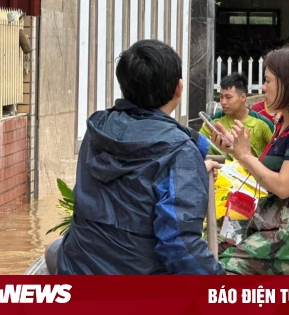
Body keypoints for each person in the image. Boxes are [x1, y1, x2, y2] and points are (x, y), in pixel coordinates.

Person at [44, 39, 226, 275]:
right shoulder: (181, 152)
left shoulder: (97, 130)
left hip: (79, 271)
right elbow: (180, 246)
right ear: (179, 88)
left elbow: (134, 182)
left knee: (55, 248)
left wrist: (195, 169)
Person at [211, 44, 289, 275]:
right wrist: (235, 150)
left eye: (268, 81)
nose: (263, 88)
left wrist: (245, 155)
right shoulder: (283, 123)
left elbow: (283, 186)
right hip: (273, 217)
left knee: (224, 268)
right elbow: (267, 172)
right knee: (213, 245)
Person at [200, 73, 274, 158]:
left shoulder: (262, 123)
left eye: (228, 97)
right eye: (221, 97)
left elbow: (278, 152)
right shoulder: (214, 121)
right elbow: (198, 143)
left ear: (243, 97)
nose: (223, 102)